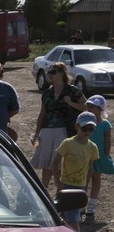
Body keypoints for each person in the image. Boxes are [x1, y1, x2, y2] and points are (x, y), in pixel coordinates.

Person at [30, 61, 86, 190]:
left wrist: (71, 103)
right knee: (46, 166)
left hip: (65, 131)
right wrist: (37, 133)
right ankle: (43, 193)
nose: (50, 75)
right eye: (49, 72)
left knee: (60, 164)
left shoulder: (72, 90)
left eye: (53, 72)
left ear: (61, 73)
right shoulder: (47, 93)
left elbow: (85, 106)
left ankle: (61, 193)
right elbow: (42, 114)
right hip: (47, 130)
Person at [52, 111, 98, 232]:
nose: (87, 132)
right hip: (65, 185)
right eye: (84, 128)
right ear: (77, 126)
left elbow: (90, 168)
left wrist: (86, 186)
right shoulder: (68, 143)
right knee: (64, 216)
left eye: (91, 129)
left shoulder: (92, 147)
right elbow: (55, 162)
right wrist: (57, 182)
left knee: (72, 217)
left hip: (79, 187)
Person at [85, 95, 114, 216]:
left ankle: (92, 203)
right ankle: (81, 202)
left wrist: (106, 154)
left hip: (98, 155)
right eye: (88, 106)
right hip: (86, 154)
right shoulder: (85, 122)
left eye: (92, 106)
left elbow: (108, 141)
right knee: (84, 178)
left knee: (96, 178)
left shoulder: (105, 124)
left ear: (99, 108)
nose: (89, 108)